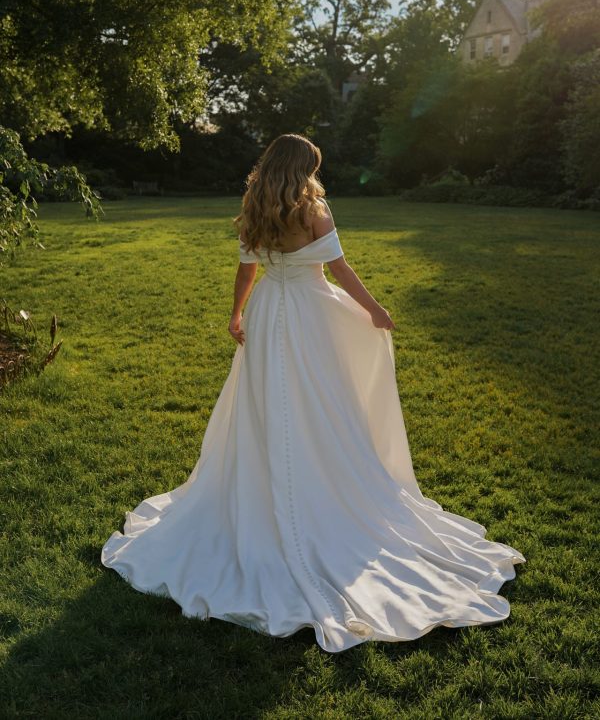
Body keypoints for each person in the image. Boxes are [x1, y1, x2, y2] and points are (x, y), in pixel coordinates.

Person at [101, 133, 526, 653]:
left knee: (268, 407)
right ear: (305, 168)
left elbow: (247, 268)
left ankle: (278, 484)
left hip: (267, 315)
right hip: (308, 315)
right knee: (319, 403)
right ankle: (317, 481)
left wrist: (237, 312)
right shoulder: (314, 209)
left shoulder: (255, 205)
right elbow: (339, 269)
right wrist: (375, 309)